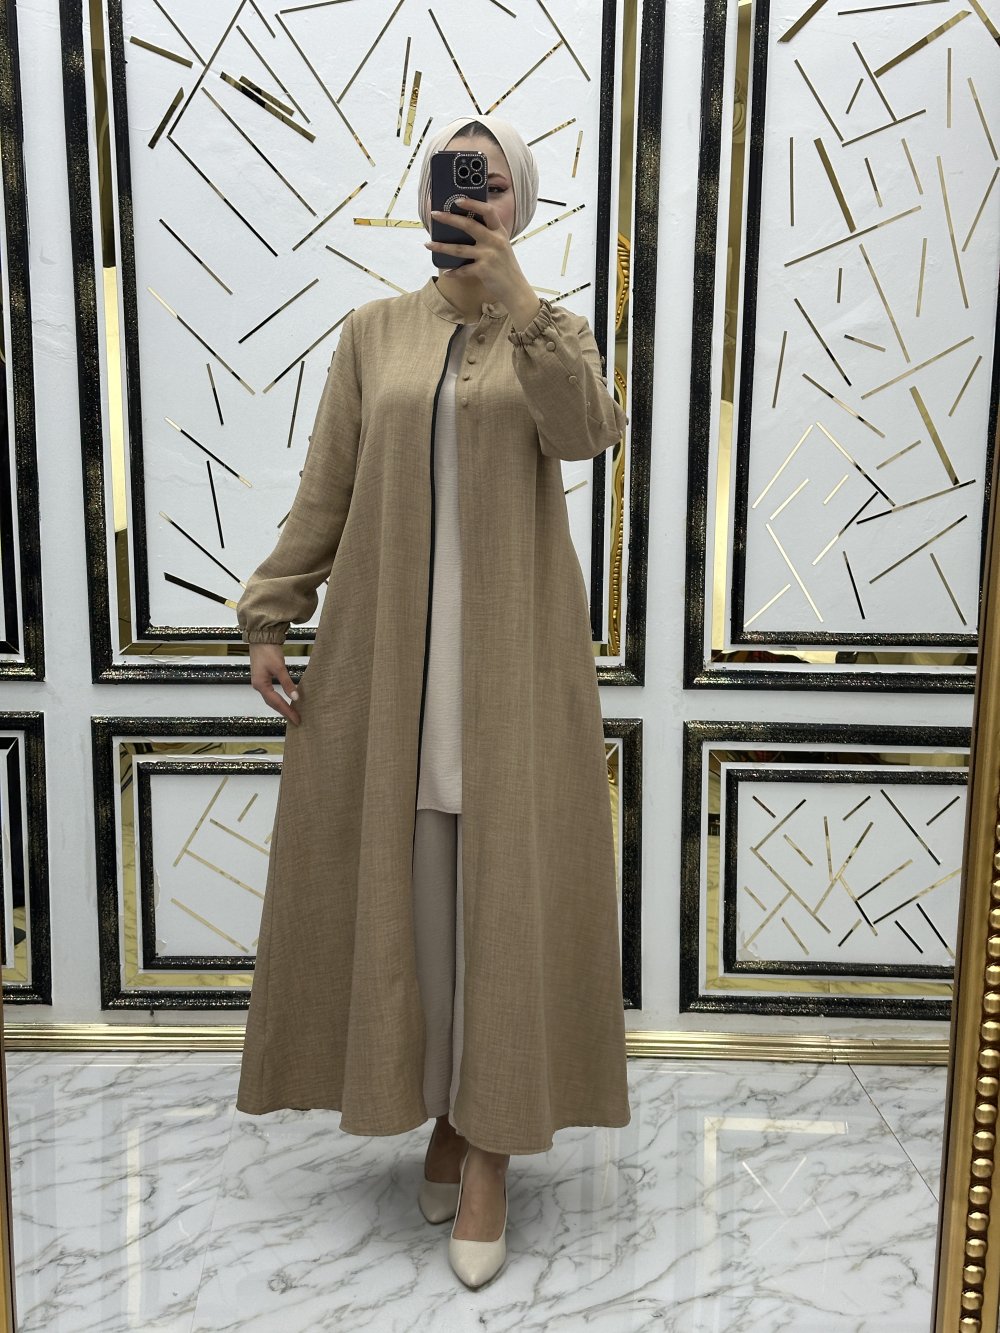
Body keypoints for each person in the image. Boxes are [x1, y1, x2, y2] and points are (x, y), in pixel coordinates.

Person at [236, 113, 631, 1290]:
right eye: (453, 183)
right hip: (388, 670)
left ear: (521, 203)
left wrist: (517, 298)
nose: (469, 201)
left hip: (511, 671)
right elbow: (327, 491)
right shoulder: (374, 333)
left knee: (502, 902)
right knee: (424, 912)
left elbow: (587, 433)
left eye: (490, 185)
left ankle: (491, 1147)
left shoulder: (553, 333)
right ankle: (449, 1116)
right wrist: (269, 612)